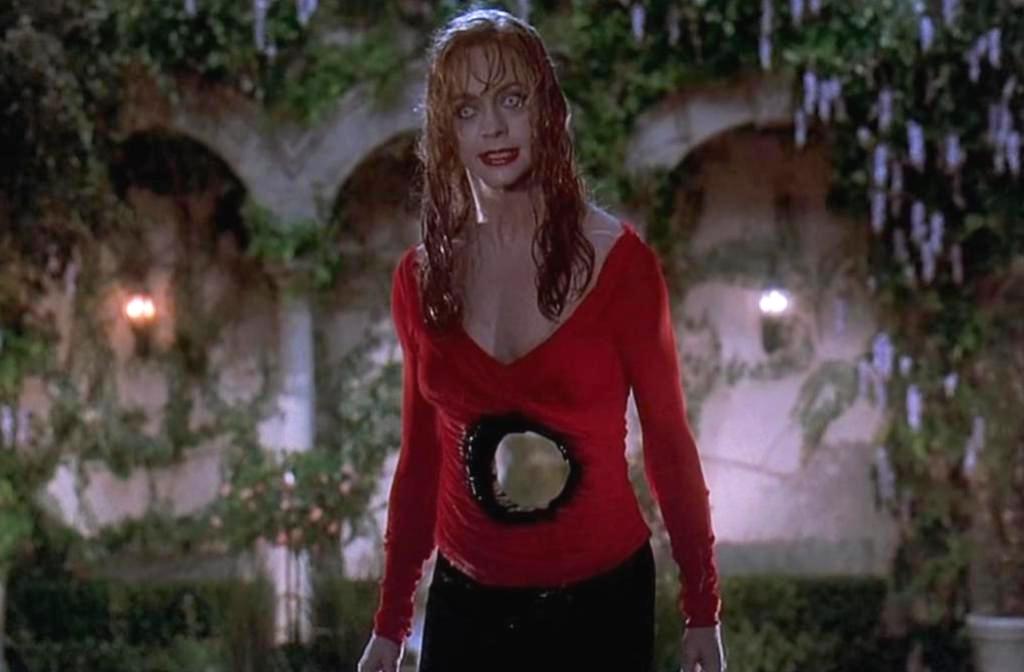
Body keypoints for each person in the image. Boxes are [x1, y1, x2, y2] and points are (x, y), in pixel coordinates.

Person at [358, 7, 725, 672]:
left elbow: (669, 440)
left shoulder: (622, 265)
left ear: (546, 110)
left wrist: (703, 608)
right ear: (446, 130)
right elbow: (420, 459)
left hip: (600, 600)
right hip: (467, 602)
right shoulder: (420, 279)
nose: (493, 127)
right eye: (467, 109)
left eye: (510, 99)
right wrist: (391, 622)